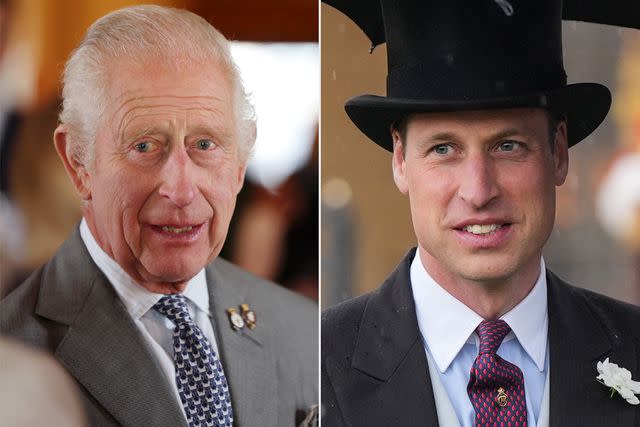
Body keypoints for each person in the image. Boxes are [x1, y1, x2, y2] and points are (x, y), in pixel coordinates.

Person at [321, 1, 640, 426]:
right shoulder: (316, 366)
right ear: (400, 160)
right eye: (443, 149)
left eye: (508, 146)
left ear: (558, 152)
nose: (478, 191)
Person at [0, 5, 317, 426]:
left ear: (241, 163)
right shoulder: (16, 348)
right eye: (145, 146)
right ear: (77, 162)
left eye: (205, 145)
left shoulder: (305, 330)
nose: (182, 191)